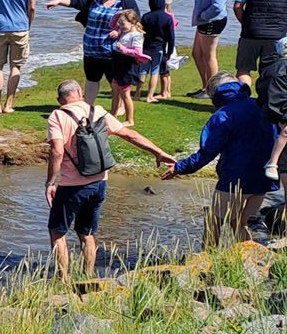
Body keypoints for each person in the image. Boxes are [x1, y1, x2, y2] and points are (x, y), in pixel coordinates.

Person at [44, 79, 174, 282]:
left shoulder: (57, 116)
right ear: (79, 92)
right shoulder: (98, 111)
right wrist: (159, 152)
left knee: (57, 232)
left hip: (71, 186)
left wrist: (51, 182)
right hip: (99, 183)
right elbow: (129, 134)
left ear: (59, 99)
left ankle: (63, 280)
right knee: (87, 233)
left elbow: (57, 151)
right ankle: (88, 279)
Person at [161, 76, 276, 247]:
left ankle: (207, 260)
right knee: (239, 222)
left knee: (213, 219)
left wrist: (179, 167)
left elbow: (207, 152)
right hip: (265, 177)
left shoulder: (223, 115)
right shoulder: (260, 105)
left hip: (235, 178)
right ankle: (248, 261)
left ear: (215, 94)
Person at [45, 0, 137, 103]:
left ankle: (120, 107)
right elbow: (76, 1)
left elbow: (135, 21)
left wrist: (119, 31)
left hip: (113, 52)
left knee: (115, 82)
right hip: (91, 50)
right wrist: (58, 1)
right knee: (91, 79)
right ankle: (87, 107)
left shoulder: (125, 1)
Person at [233, 0, 287, 79]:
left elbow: (237, 6)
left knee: (243, 69)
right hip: (277, 36)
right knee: (273, 71)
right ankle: (268, 97)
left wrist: (246, 22)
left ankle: (243, 97)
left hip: (251, 33)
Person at [189, 0, 230, 96]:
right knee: (197, 53)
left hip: (212, 21)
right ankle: (205, 86)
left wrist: (204, 15)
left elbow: (218, 6)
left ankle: (213, 90)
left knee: (209, 56)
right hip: (205, 21)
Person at [107, 6, 148, 124]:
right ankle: (113, 116)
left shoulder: (136, 35)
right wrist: (118, 14)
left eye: (123, 23)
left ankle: (130, 120)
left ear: (133, 22)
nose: (119, 25)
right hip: (117, 62)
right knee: (114, 91)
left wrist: (124, 49)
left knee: (125, 94)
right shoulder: (123, 30)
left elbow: (137, 52)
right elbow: (112, 23)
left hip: (126, 65)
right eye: (120, 23)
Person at [261, 37, 287, 192]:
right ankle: (272, 162)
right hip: (280, 113)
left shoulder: (274, 68)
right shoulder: (279, 70)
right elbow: (275, 98)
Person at [142, 0, 176, 103]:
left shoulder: (146, 17)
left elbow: (141, 33)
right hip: (160, 48)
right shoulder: (167, 18)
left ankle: (138, 93)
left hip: (146, 48)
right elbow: (171, 37)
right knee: (157, 71)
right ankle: (154, 94)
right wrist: (169, 52)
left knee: (143, 71)